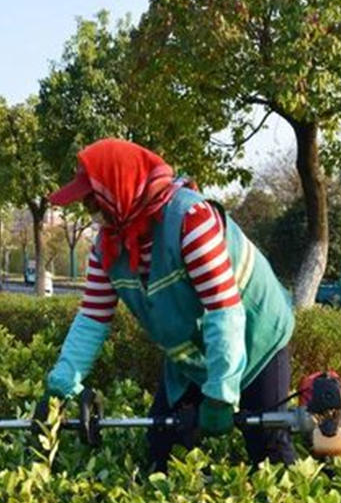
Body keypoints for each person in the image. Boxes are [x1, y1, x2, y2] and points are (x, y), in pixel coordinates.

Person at [38, 138, 296, 471]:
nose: (91, 212)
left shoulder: (191, 219)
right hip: (192, 350)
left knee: (268, 444)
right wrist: (60, 387)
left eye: (92, 201)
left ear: (118, 188)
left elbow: (223, 309)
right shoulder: (107, 248)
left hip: (257, 335)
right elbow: (92, 318)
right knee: (163, 443)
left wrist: (220, 392)